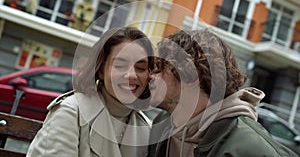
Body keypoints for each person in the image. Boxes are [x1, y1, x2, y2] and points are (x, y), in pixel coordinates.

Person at [148, 29, 298, 157]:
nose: (151, 76)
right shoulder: (162, 124)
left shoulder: (250, 148)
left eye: (160, 68)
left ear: (192, 75)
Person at [27, 27, 154, 157]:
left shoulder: (145, 129)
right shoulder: (70, 112)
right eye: (120, 66)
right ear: (100, 70)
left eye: (140, 68)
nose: (132, 75)